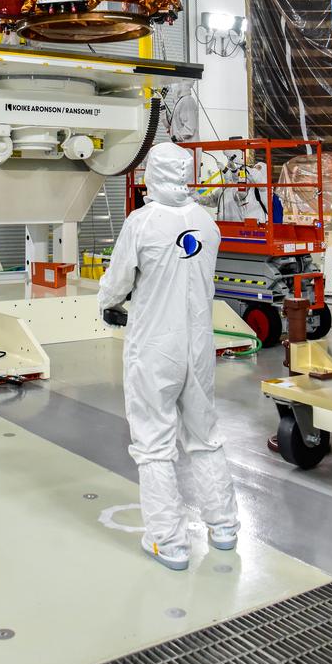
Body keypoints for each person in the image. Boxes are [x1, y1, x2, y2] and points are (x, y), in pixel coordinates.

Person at [98, 142, 239, 571]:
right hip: (199, 344)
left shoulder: (142, 223)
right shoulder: (206, 222)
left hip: (156, 346)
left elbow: (118, 281)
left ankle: (169, 543)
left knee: (154, 442)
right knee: (205, 435)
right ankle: (224, 526)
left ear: (152, 176)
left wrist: (107, 302)